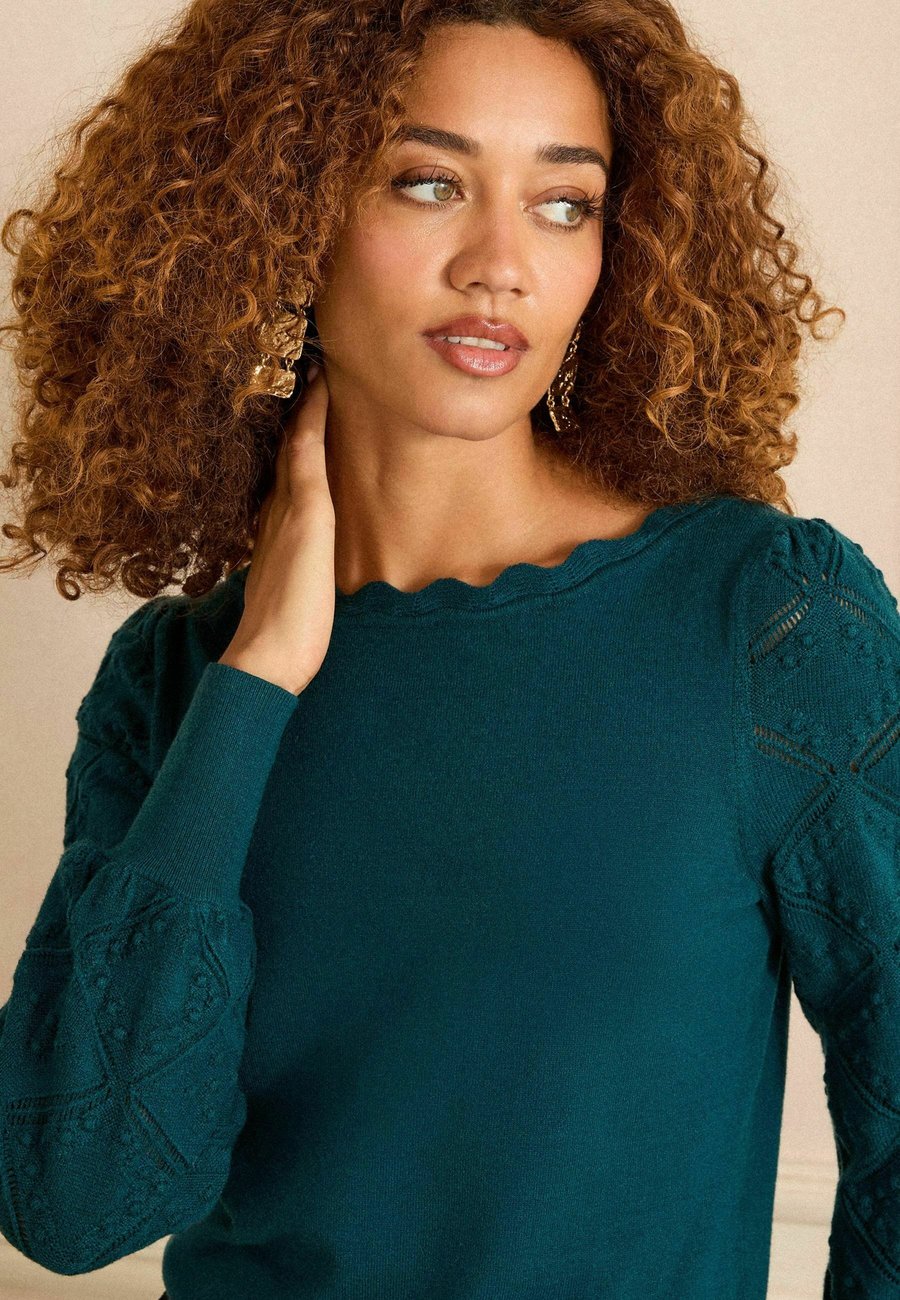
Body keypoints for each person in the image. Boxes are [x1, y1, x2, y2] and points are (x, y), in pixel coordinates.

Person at [0, 1, 897, 1297]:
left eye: (564, 204)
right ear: (283, 213)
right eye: (429, 183)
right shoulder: (173, 681)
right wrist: (255, 681)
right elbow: (75, 1203)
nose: (499, 264)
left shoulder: (765, 619)